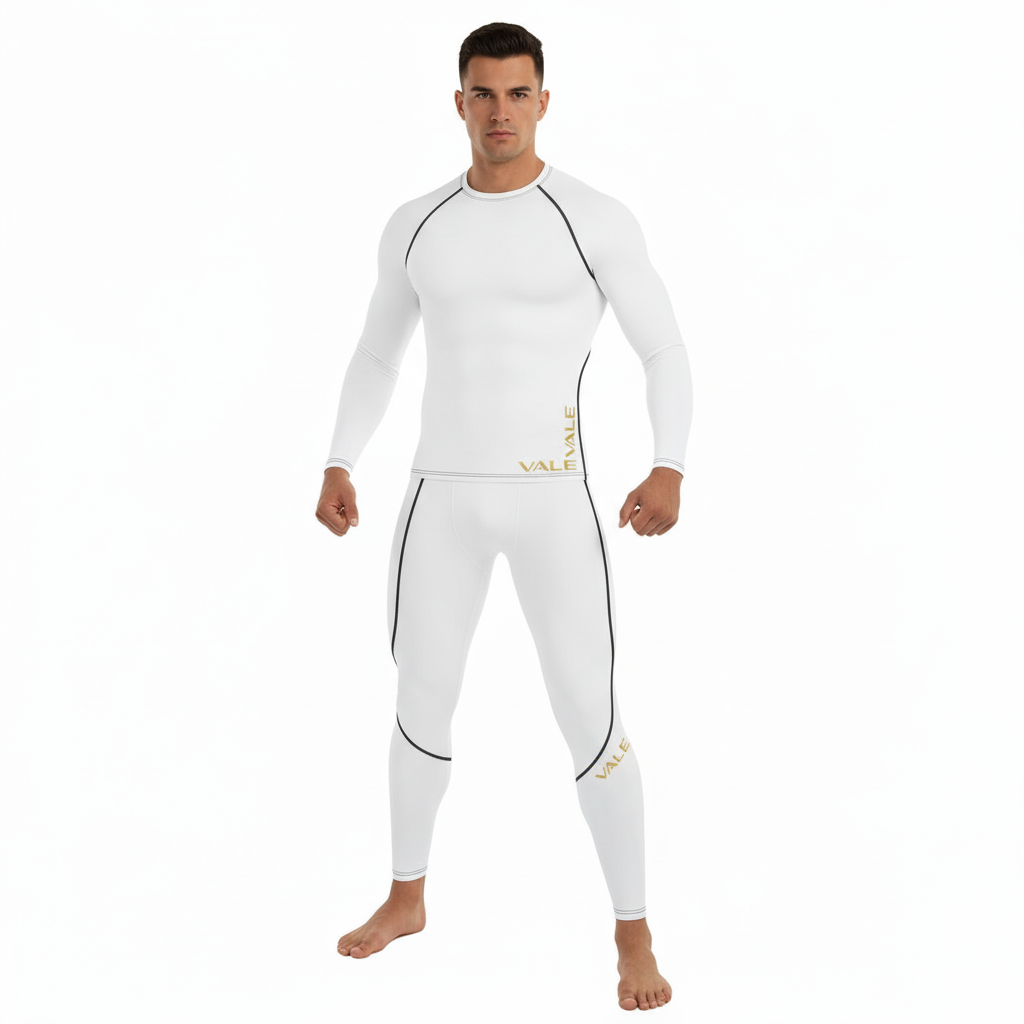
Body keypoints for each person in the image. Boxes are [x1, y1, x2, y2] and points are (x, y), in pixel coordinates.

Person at [316, 22, 692, 1013]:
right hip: (438, 499)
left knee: (591, 713)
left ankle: (634, 930)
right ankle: (406, 896)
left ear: (543, 101)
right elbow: (376, 353)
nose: (499, 112)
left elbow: (663, 349)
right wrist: (339, 456)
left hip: (551, 498)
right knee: (418, 699)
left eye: (517, 93)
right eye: (482, 93)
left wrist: (669, 464)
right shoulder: (416, 223)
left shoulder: (593, 218)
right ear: (458, 103)